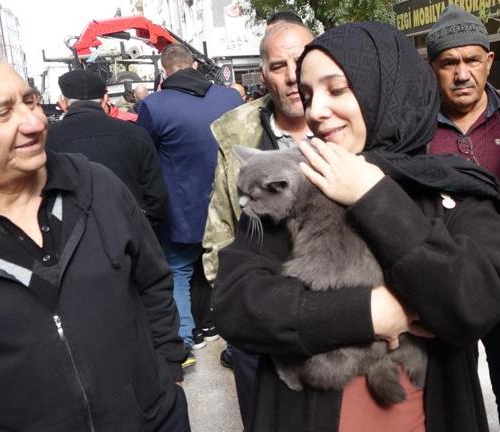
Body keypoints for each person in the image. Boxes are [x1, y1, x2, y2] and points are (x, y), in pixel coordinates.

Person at [214, 22, 500, 431]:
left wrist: (372, 195)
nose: (316, 111)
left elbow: (476, 302)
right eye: (307, 96)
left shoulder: (452, 186)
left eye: (336, 89)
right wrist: (369, 313)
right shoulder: (299, 186)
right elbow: (236, 305)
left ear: (385, 87)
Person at [0, 42, 189, 431]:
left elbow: (153, 281)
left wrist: (165, 373)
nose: (34, 123)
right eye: (3, 112)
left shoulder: (97, 186)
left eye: (30, 101)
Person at [424, 5, 500, 432]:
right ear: (433, 67)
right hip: (447, 299)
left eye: (472, 59)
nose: (462, 74)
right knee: (455, 404)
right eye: (449, 63)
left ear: (488, 61)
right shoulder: (416, 130)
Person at [201, 17, 314, 427]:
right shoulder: (237, 138)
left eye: (300, 62)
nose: (292, 77)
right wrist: (233, 311)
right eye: (279, 67)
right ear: (263, 74)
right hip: (260, 323)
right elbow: (220, 228)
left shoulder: (349, 125)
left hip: (337, 319)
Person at [137, 43, 242, 362]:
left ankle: (182, 342)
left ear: (164, 72)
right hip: (230, 204)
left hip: (181, 210)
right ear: (195, 65)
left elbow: (146, 156)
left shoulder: (154, 106)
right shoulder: (230, 98)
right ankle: (238, 344)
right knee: (232, 272)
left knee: (178, 271)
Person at [47, 69, 168, 228]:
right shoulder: (136, 133)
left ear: (63, 102)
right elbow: (156, 196)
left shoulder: (48, 139)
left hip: (75, 239)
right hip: (131, 231)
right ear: (105, 99)